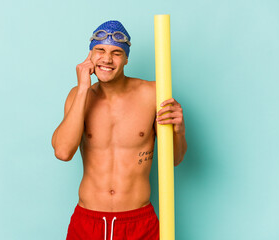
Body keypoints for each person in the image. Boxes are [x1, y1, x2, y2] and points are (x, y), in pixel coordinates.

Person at [51, 20, 187, 240]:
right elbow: (63, 152)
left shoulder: (152, 93)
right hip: (88, 222)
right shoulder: (78, 96)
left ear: (126, 58)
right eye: (100, 50)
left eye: (116, 53)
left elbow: (175, 159)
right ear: (90, 55)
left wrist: (179, 131)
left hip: (139, 222)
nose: (106, 59)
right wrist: (84, 88)